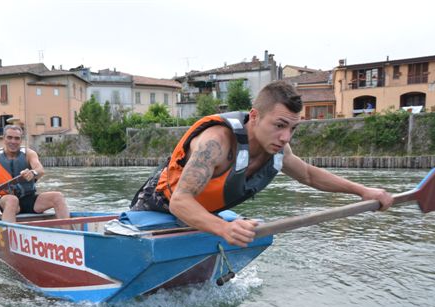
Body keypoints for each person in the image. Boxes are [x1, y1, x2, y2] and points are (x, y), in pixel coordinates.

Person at [131, 81, 393, 247]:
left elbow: (310, 176)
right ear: (255, 116)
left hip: (202, 214)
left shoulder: (278, 148)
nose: (286, 137)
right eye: (279, 126)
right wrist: (224, 228)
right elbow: (180, 201)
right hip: (158, 205)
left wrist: (364, 192)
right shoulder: (217, 142)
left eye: (293, 128)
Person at [0, 124, 69, 223]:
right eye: (9, 137)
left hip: (30, 199)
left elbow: (40, 169)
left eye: (17, 138)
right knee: (12, 200)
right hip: (7, 200)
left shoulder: (29, 154)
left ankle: (68, 233)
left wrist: (33, 172)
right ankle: (9, 233)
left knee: (58, 196)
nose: (13, 141)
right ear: (4, 138)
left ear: (21, 140)